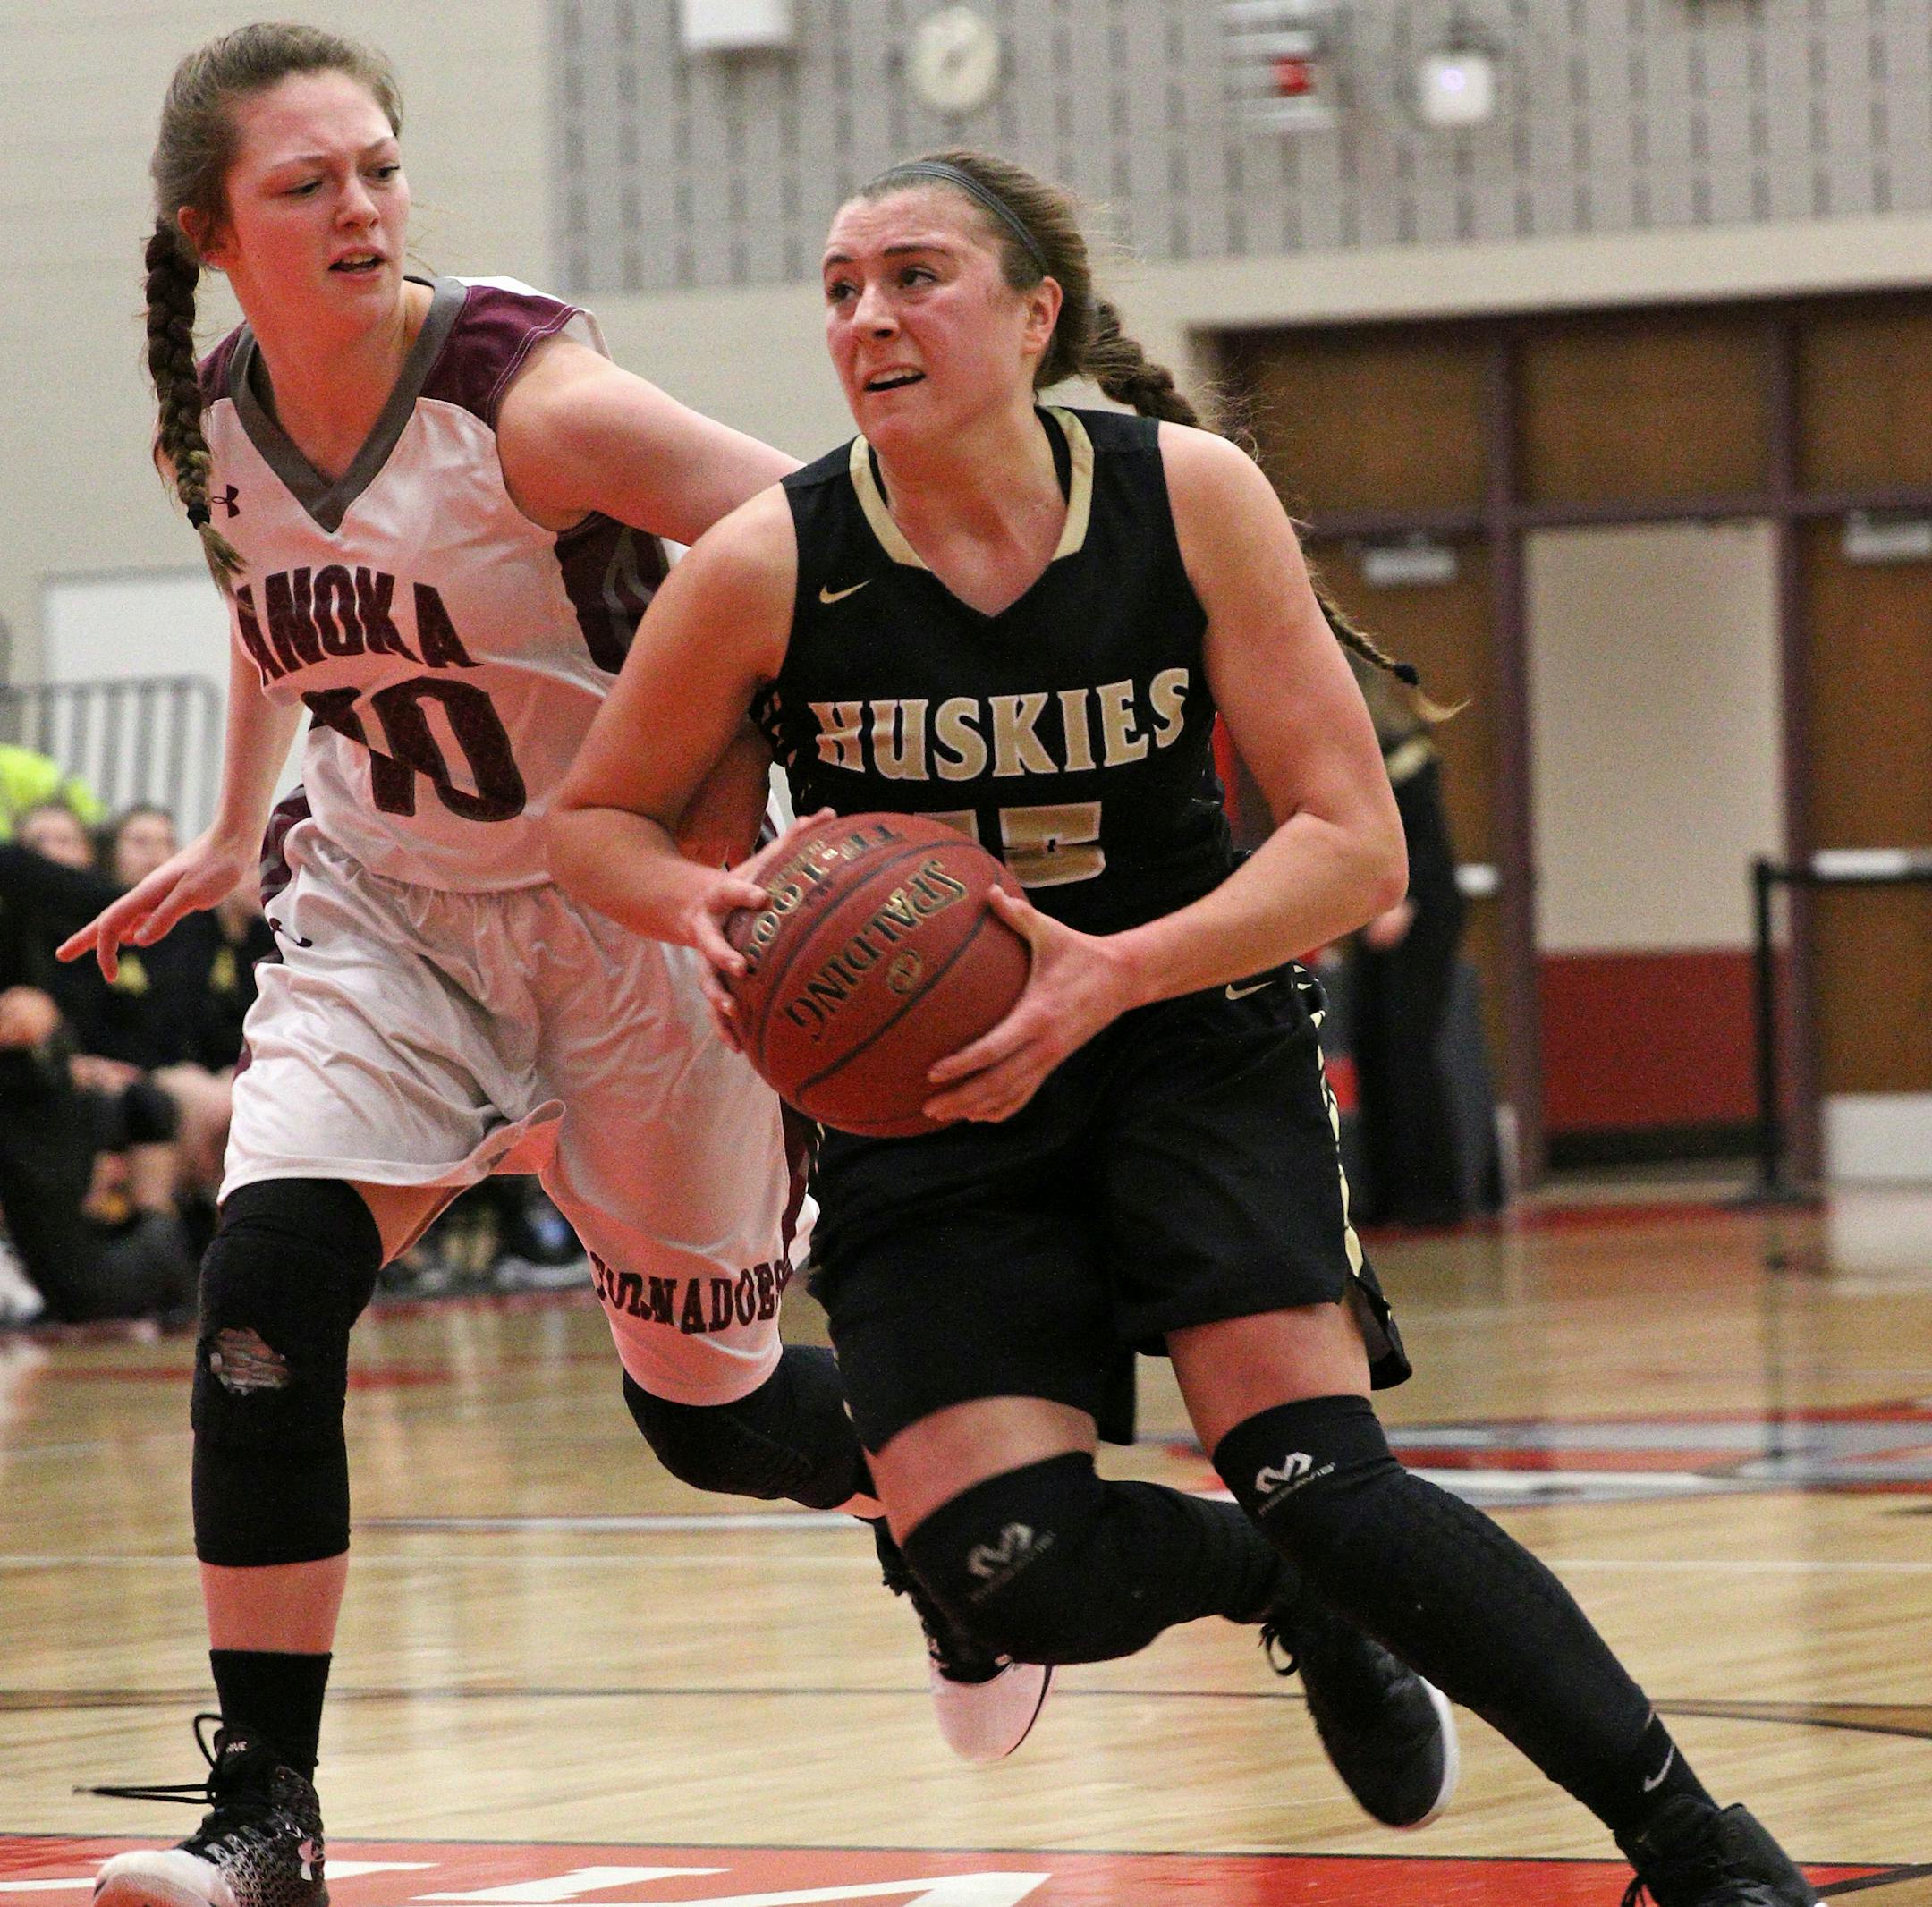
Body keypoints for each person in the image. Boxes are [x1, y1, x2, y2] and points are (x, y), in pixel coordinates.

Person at [549, 151, 1819, 1907]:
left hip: (1186, 1038)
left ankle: (1702, 1848)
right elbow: (592, 822)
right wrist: (704, 906)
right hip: (928, 1104)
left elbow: (1350, 839)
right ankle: (1280, 1590)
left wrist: (1110, 970)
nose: (868, 317)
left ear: (1033, 312)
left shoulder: (1186, 497)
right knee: (1014, 1573)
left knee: (1326, 1471)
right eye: (841, 287)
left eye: (915, 276)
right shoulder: (777, 556)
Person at [65, 31, 1045, 1907]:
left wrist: (822, 803)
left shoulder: (531, 398)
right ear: (213, 230)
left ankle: (946, 1516)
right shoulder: (219, 421)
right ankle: (266, 1815)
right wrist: (221, 827)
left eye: (379, 167)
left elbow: (810, 534)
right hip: (389, 913)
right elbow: (283, 617)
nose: (360, 207)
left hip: (633, 918)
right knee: (266, 1293)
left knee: (714, 1421)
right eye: (307, 184)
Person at [1343, 654, 1475, 1226]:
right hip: (1373, 913)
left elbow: (1431, 852)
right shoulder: (1354, 762)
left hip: (1419, 915)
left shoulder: (1411, 759)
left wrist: (1404, 901)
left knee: (1408, 1050)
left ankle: (1432, 1195)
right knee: (1371, 1047)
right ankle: (1387, 1193)